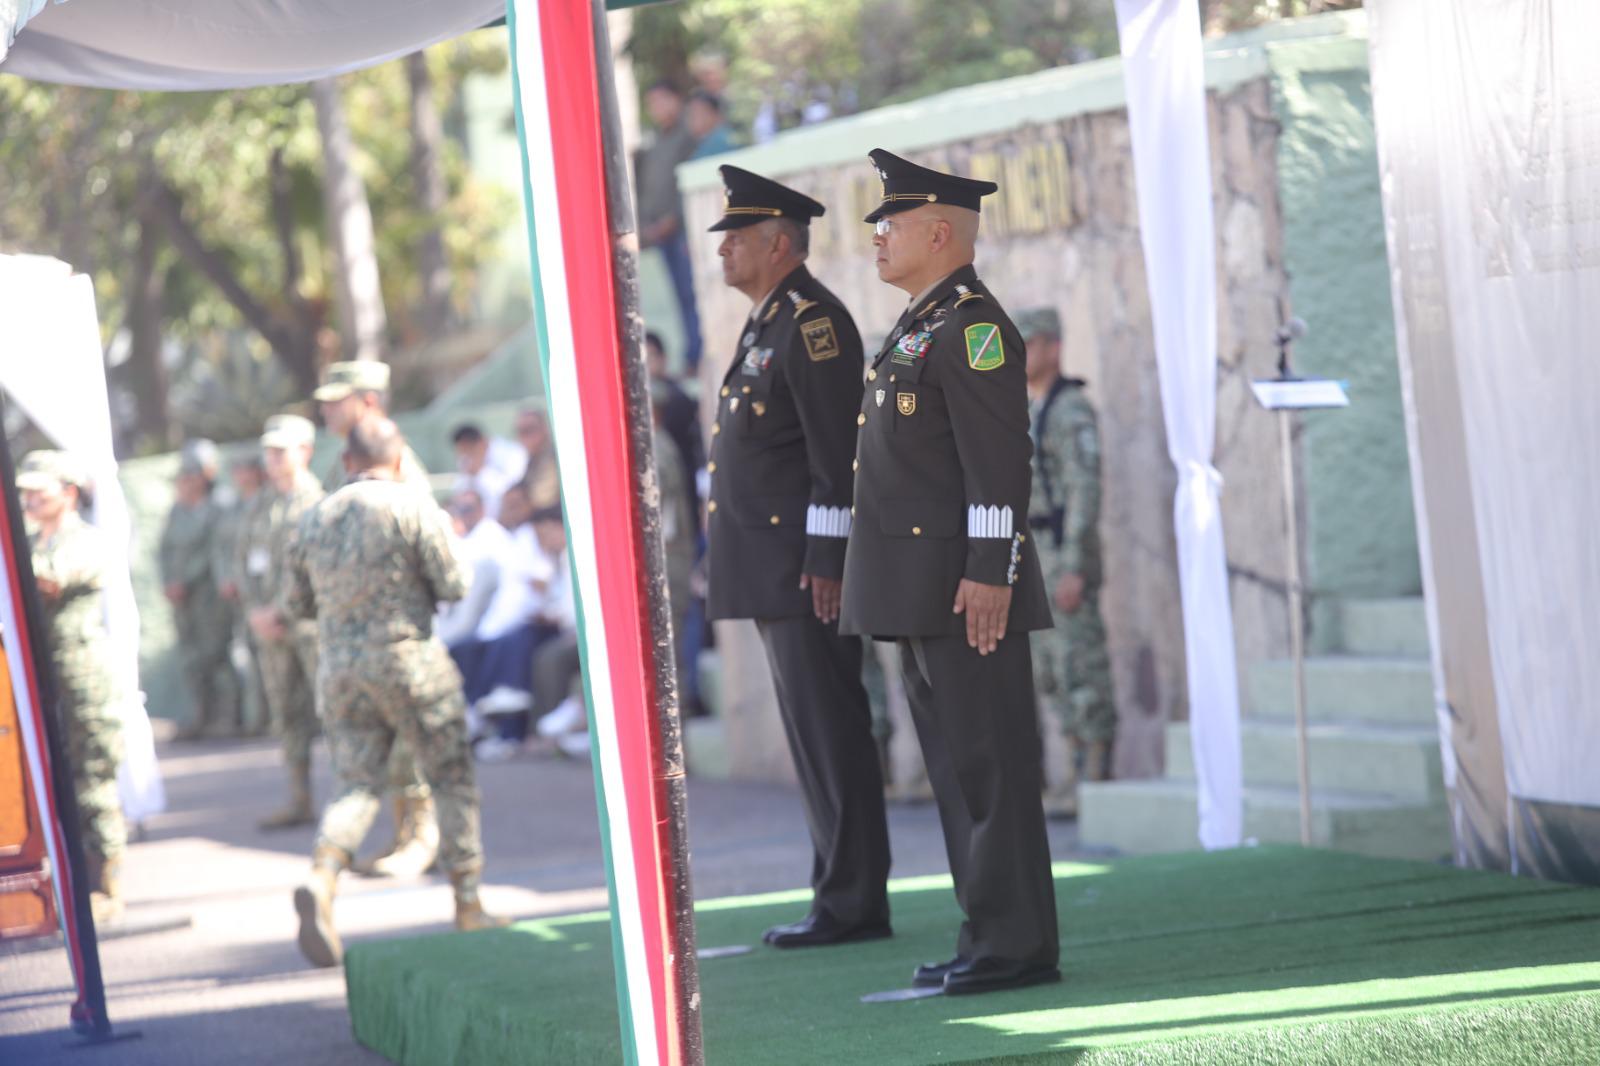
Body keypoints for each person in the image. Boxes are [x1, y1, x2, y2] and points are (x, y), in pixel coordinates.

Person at [839, 149, 1060, 996]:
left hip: (967, 591)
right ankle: (986, 936)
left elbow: (998, 463)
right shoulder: (922, 323)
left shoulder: (972, 326)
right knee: (960, 775)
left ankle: (1016, 945)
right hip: (924, 591)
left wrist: (992, 572)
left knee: (990, 769)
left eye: (890, 224)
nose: (878, 237)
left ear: (940, 233)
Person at [703, 164, 891, 948]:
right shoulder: (768, 323)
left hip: (803, 569)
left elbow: (836, 454)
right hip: (775, 567)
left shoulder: (814, 324)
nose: (723, 250)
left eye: (737, 237)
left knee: (830, 728)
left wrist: (827, 557)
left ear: (779, 244)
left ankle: (853, 901)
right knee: (812, 735)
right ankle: (837, 891)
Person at [283, 416, 507, 968]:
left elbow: (297, 604)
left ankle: (323, 876)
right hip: (410, 663)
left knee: (356, 783)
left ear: (346, 461)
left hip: (340, 671)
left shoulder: (313, 518)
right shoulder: (411, 505)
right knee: (450, 777)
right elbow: (455, 583)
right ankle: (468, 902)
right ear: (400, 458)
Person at [313, 359, 438, 877]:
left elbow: (427, 544)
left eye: (336, 400)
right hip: (355, 629)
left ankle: (423, 838)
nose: (326, 409)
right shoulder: (341, 462)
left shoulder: (396, 463)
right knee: (382, 742)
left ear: (368, 401)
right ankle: (404, 832)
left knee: (410, 737)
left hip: (395, 629)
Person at [18, 451, 126, 922]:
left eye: (39, 491)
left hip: (84, 681)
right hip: (42, 680)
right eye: (25, 492)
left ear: (68, 492)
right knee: (54, 784)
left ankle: (106, 888)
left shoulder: (85, 540)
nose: (29, 499)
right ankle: (71, 884)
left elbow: (49, 581)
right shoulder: (29, 541)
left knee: (93, 782)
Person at [1018, 308, 1116, 818]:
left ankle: (1094, 779)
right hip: (1035, 555)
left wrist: (1075, 564)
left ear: (1053, 347)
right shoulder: (1026, 408)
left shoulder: (1069, 409)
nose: (1020, 356)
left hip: (1062, 552)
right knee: (1051, 673)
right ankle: (1073, 777)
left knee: (1081, 665)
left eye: (1029, 345)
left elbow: (1083, 489)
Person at [237, 416, 324, 830]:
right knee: (286, 716)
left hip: (308, 626)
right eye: (268, 452)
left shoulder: (317, 502)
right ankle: (299, 798)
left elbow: (316, 567)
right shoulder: (261, 504)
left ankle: (354, 803)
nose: (271, 460)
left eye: (280, 451)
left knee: (333, 713)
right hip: (270, 630)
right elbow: (242, 560)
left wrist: (281, 611)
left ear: (305, 452)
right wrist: (256, 611)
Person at [162, 439, 242, 740]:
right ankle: (199, 716)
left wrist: (185, 580)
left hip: (210, 596)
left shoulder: (221, 505)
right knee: (190, 658)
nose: (188, 481)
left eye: (193, 474)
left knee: (217, 654)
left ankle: (230, 719)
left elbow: (214, 551)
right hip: (183, 600)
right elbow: (165, 550)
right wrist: (169, 581)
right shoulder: (177, 510)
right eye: (184, 475)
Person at [635, 80, 703, 371]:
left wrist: (672, 219)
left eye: (662, 100)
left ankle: (699, 352)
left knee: (692, 292)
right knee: (680, 296)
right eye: (652, 103)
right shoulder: (655, 142)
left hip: (683, 231)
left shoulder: (688, 135)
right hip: (661, 235)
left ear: (676, 99)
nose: (657, 108)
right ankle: (692, 353)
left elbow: (685, 182)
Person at [215, 453, 270, 736]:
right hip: (242, 593)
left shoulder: (270, 501)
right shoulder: (231, 508)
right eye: (237, 470)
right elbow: (221, 548)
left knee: (271, 654)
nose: (242, 476)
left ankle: (278, 717)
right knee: (249, 652)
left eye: (246, 469)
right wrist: (226, 578)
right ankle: (257, 719)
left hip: (268, 590)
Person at [450, 423, 523, 520]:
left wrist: (481, 472)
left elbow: (511, 491)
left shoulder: (512, 454)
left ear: (482, 443)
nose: (466, 456)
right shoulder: (465, 460)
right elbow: (459, 490)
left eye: (470, 450)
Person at [515, 403, 561, 512]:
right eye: (521, 431)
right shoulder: (531, 459)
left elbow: (542, 498)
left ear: (545, 429)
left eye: (529, 430)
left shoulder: (554, 459)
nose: (524, 436)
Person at [687, 91, 736, 159]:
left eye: (701, 112)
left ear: (716, 114)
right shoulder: (705, 142)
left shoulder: (722, 139)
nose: (695, 118)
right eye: (692, 114)